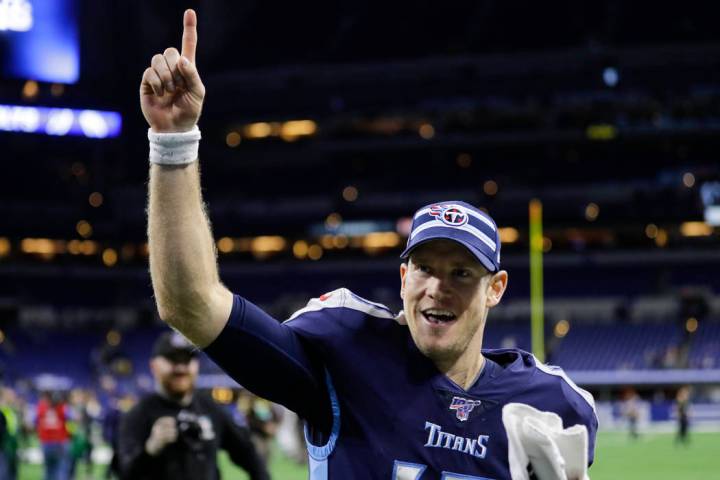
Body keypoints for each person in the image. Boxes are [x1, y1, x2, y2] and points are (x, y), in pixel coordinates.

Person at [141, 10, 598, 479]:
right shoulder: (347, 356)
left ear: (495, 289)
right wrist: (174, 142)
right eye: (424, 269)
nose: (437, 288)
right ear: (403, 278)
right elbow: (190, 304)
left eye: (461, 273)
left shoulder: (549, 405)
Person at [117, 332, 269, 480]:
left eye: (187, 360)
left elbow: (249, 454)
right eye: (173, 360)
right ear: (154, 366)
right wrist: (150, 449)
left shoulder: (211, 409)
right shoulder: (137, 415)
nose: (181, 368)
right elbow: (124, 472)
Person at [36, 391, 71, 480]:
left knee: (48, 470)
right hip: (60, 442)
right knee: (61, 469)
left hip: (46, 442)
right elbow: (71, 419)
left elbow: (35, 422)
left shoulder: (41, 407)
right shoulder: (62, 408)